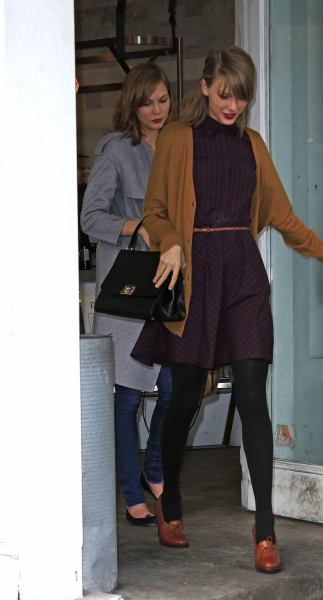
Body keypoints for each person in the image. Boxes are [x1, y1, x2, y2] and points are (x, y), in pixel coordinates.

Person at [132, 46, 323, 570]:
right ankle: (169, 498)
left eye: (242, 97)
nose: (233, 105)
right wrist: (170, 240)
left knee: (253, 398)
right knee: (185, 399)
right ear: (206, 87)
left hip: (243, 279)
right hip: (195, 278)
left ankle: (266, 531)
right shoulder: (177, 138)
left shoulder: (253, 145)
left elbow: (282, 215)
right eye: (224, 94)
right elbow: (154, 212)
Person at [80, 63, 175, 527]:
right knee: (128, 397)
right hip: (129, 289)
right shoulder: (116, 150)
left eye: (163, 100)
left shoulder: (178, 146)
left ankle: (154, 464)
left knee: (176, 385)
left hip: (169, 285)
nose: (157, 110)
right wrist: (136, 225)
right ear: (132, 105)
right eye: (147, 102)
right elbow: (90, 217)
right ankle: (131, 491)